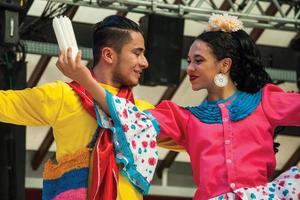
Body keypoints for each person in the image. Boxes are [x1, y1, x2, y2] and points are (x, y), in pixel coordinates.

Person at [57, 13, 300, 200]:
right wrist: (85, 80)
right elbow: (127, 116)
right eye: (189, 61)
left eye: (198, 61)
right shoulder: (184, 118)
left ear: (224, 65)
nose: (190, 68)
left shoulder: (264, 102)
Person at [0, 15, 159, 200]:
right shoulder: (63, 96)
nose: (145, 62)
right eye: (137, 53)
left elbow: (194, 134)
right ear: (108, 55)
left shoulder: (143, 113)